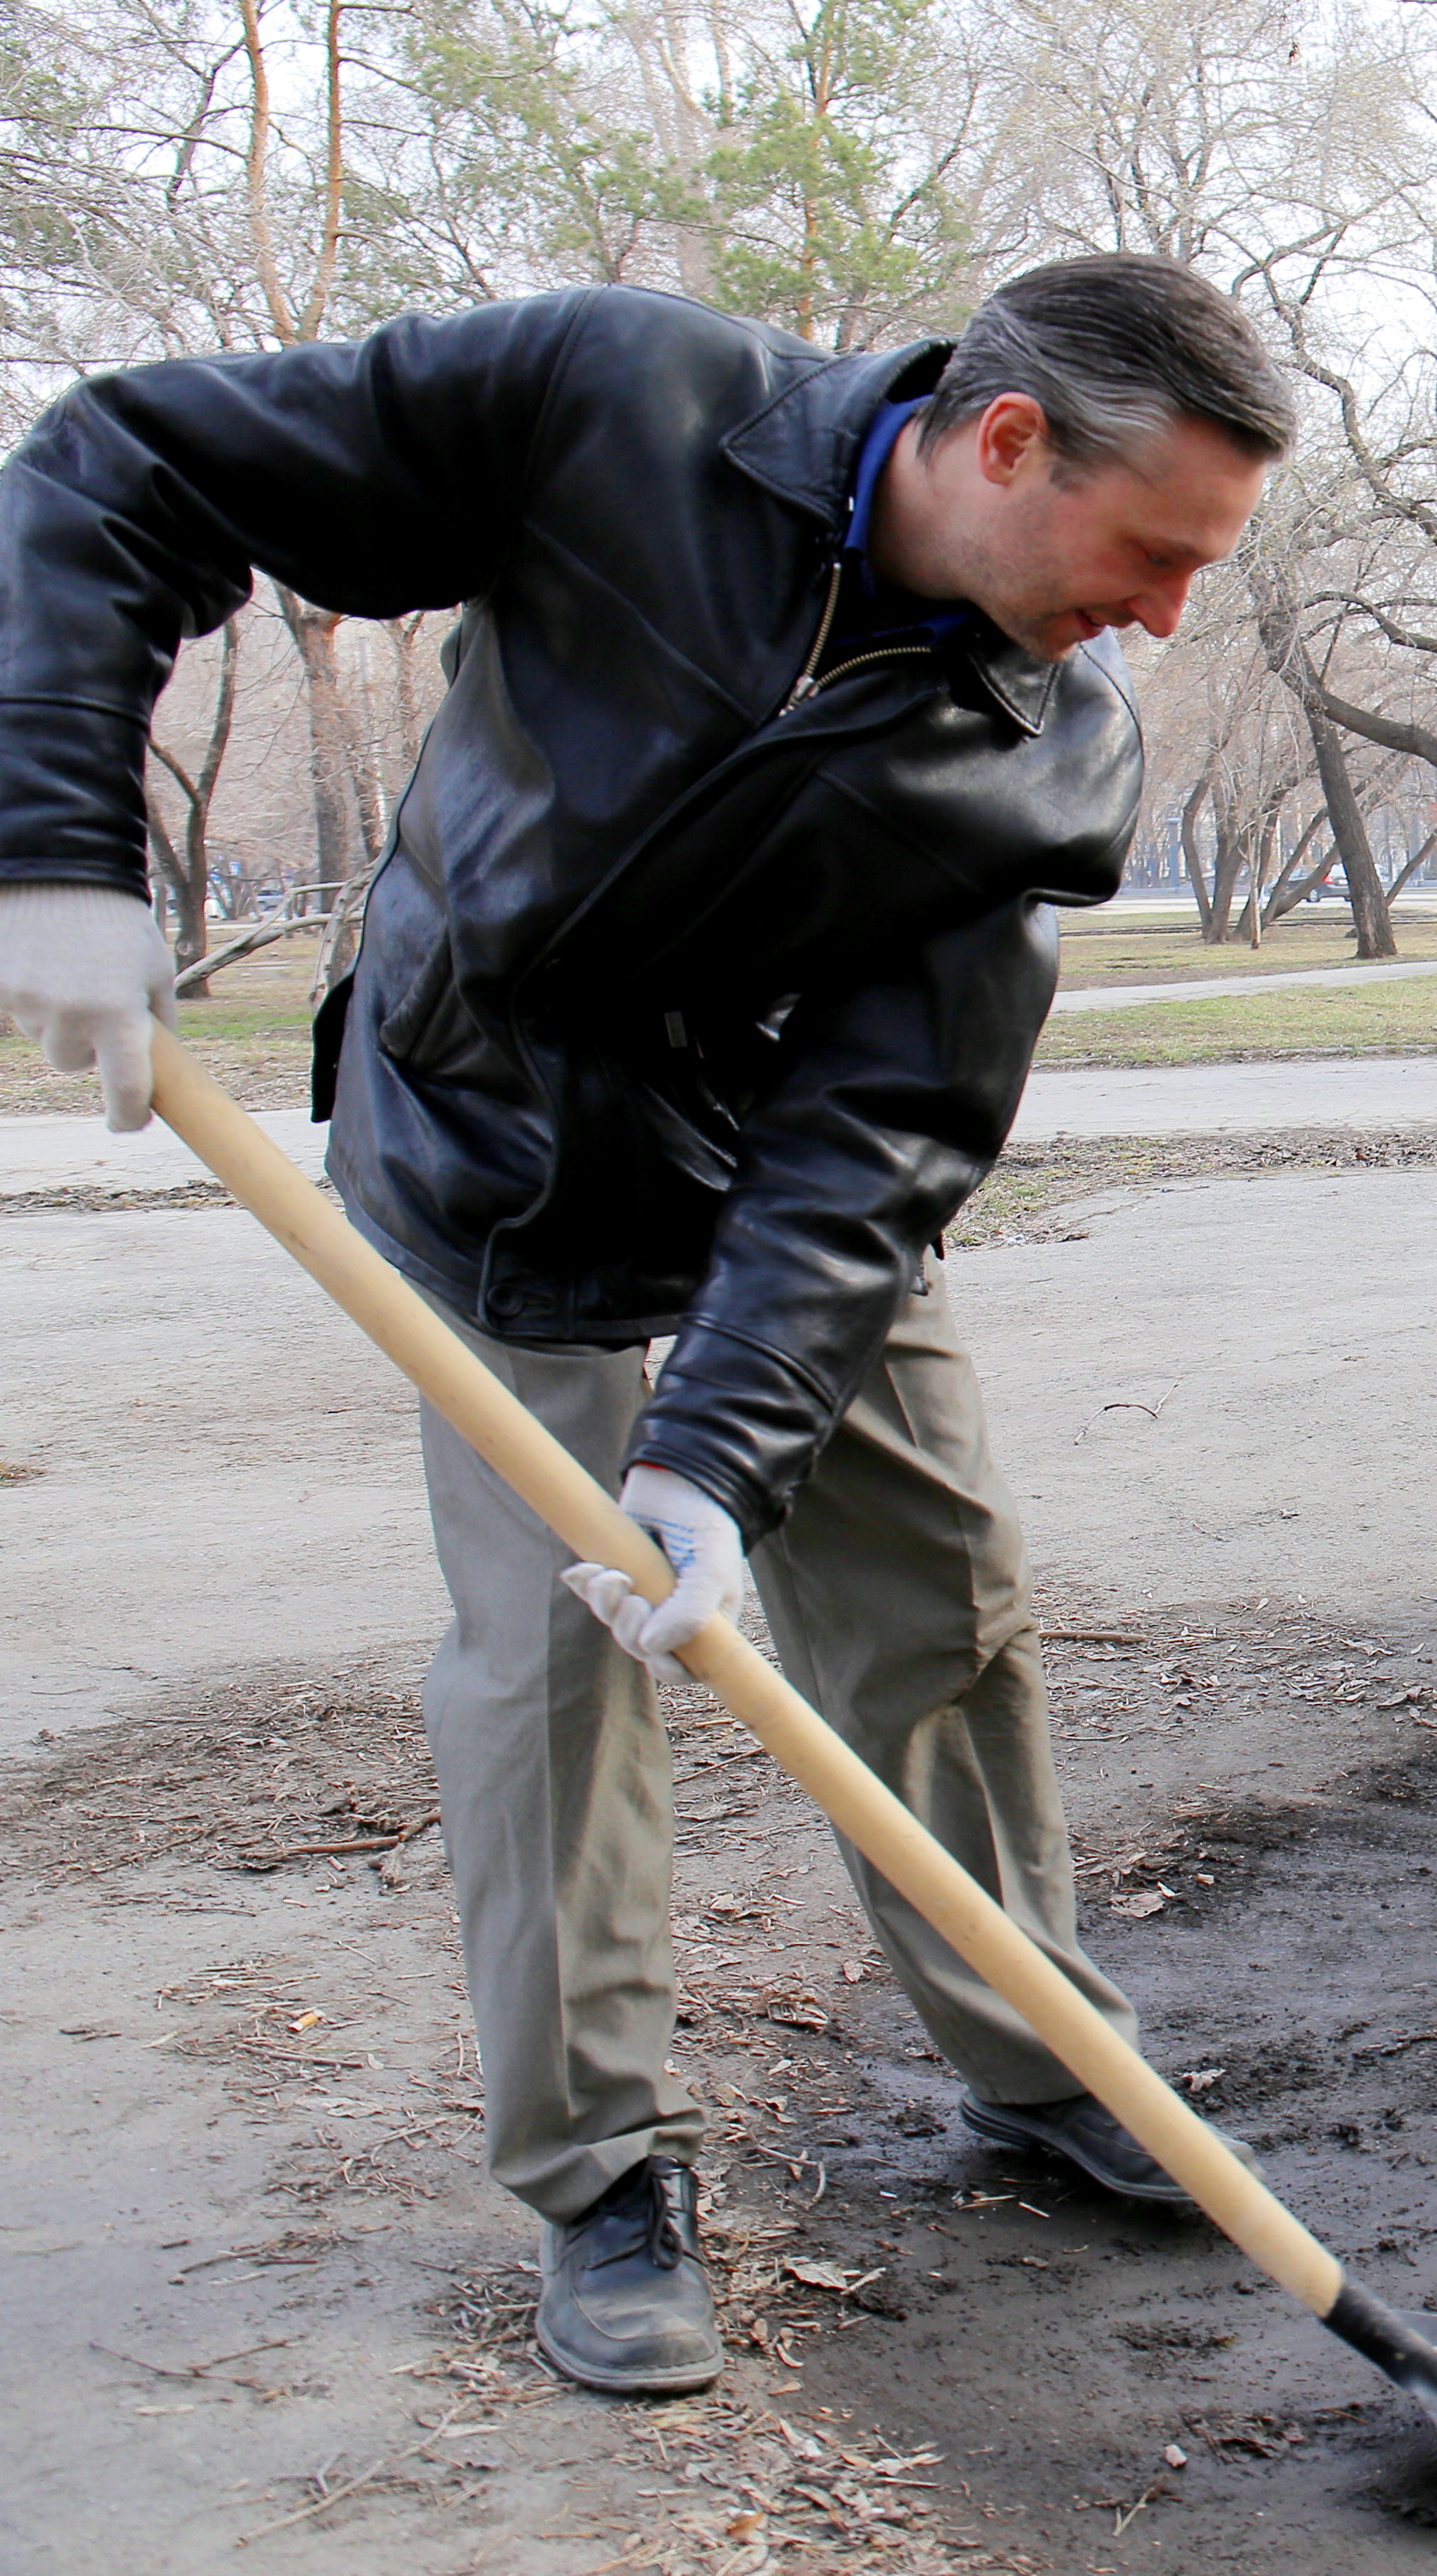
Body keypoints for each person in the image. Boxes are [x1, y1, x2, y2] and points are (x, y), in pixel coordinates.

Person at [0, 258, 1289, 2398]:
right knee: (554, 1661)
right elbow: (126, 458)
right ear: (1002, 442)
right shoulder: (619, 404)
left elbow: (881, 1131)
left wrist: (717, 1449)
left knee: (936, 1588)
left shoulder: (1048, 755)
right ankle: (605, 2167)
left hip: (781, 1175)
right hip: (484, 1134)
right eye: (1153, 555)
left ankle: (1041, 2052)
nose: (1163, 618)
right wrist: (55, 845)